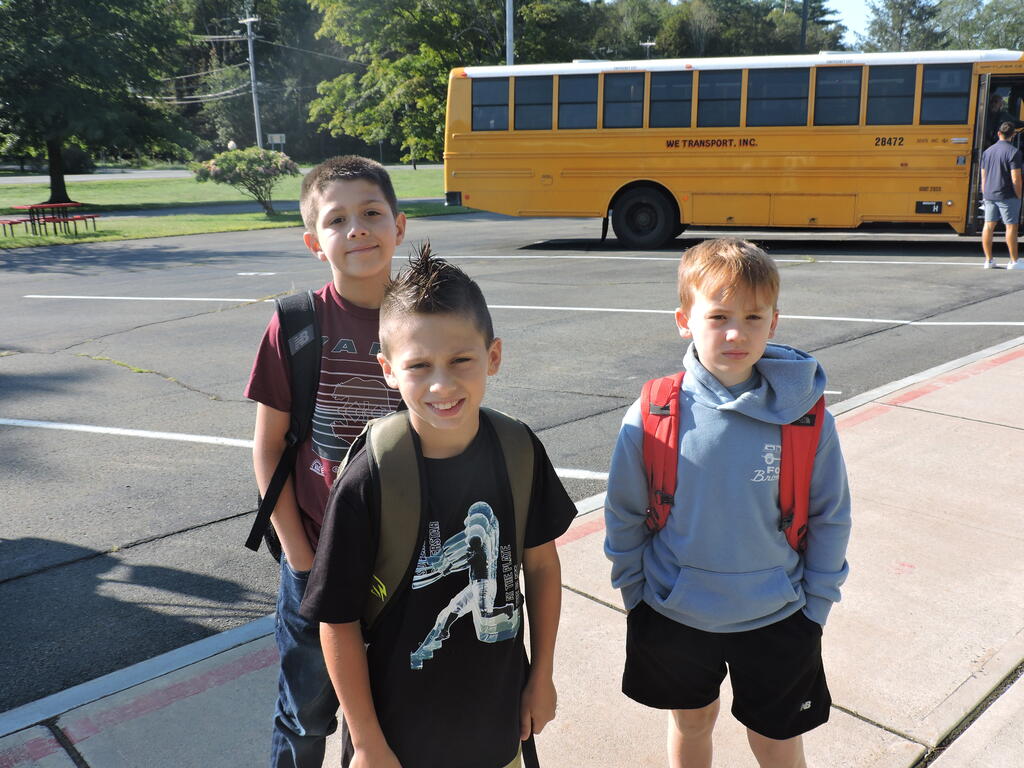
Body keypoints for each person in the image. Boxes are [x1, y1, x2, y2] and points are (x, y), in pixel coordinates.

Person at [300, 245, 577, 768]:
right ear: (388, 369)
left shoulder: (518, 450)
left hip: (497, 729)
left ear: (493, 356)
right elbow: (336, 620)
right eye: (419, 365)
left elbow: (541, 565)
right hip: (397, 742)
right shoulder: (370, 478)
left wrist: (541, 675)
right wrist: (367, 743)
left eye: (460, 361)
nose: (442, 384)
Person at [604, 238, 851, 768]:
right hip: (674, 611)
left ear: (773, 323)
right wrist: (636, 595)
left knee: (777, 739)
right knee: (691, 721)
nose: (736, 333)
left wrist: (817, 606)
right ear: (685, 321)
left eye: (753, 317)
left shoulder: (806, 416)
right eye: (718, 317)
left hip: (780, 614)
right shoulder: (654, 412)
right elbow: (623, 513)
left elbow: (830, 516)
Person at [245, 155, 407, 768]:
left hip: (403, 559)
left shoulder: (424, 316)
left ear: (399, 225)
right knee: (306, 713)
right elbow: (268, 448)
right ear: (315, 242)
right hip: (315, 556)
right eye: (337, 220)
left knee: (389, 712)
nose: (357, 228)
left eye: (371, 213)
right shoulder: (295, 325)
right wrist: (300, 557)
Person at [981, 121, 1024, 270]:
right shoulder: (1014, 152)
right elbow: (1015, 178)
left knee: (988, 226)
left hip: (989, 194)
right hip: (1007, 194)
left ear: (999, 133)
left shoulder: (987, 152)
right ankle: (1013, 261)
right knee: (1011, 227)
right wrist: (1018, 195)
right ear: (1013, 135)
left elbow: (983, 176)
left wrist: (985, 193)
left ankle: (988, 260)